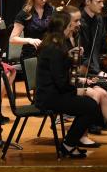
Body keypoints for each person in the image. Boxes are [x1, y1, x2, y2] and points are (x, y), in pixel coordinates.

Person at [63, 4, 107, 147]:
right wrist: (84, 81)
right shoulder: (59, 43)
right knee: (94, 95)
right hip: (61, 90)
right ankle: (80, 135)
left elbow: (73, 71)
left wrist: (85, 79)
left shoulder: (73, 38)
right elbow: (62, 76)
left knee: (103, 93)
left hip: (71, 82)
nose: (79, 24)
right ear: (67, 22)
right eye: (76, 21)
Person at [35, 9, 100, 158]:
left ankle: (69, 143)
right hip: (49, 97)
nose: (75, 27)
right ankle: (68, 144)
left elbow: (60, 75)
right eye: (72, 24)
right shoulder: (55, 49)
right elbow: (61, 82)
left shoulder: (54, 44)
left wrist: (70, 58)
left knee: (89, 104)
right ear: (64, 27)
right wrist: (77, 91)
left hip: (51, 93)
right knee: (91, 107)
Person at [9, 0, 54, 64]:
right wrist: (30, 40)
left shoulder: (51, 10)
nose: (44, 0)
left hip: (49, 53)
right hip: (31, 55)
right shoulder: (24, 14)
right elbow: (12, 39)